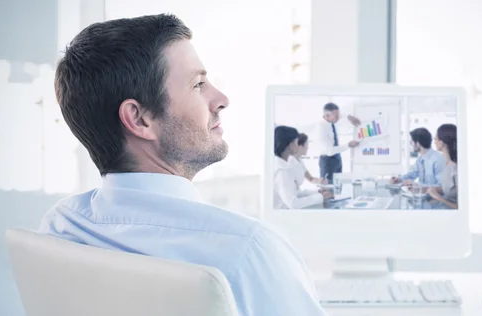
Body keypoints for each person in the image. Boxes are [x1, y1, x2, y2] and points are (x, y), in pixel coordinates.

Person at [37, 14, 327, 316]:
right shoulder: (247, 251)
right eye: (198, 84)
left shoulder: (61, 227)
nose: (221, 99)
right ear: (139, 119)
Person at [274, 127, 332, 208]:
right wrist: (321, 197)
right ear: (291, 145)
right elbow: (293, 203)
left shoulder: (282, 165)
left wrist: (317, 193)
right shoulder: (283, 171)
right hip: (284, 215)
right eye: (296, 142)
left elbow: (294, 192)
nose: (297, 145)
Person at [316, 102, 360, 183]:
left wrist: (349, 117)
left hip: (337, 159)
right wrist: (348, 145)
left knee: (338, 186)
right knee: (328, 188)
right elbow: (330, 151)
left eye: (338, 114)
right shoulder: (321, 128)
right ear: (327, 116)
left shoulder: (331, 121)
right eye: (336, 116)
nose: (338, 117)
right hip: (327, 161)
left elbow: (339, 115)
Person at [428, 124, 458, 209]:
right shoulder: (447, 164)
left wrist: (439, 198)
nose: (434, 141)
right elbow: (451, 189)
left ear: (441, 142)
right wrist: (433, 190)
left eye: (435, 138)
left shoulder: (456, 168)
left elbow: (461, 207)